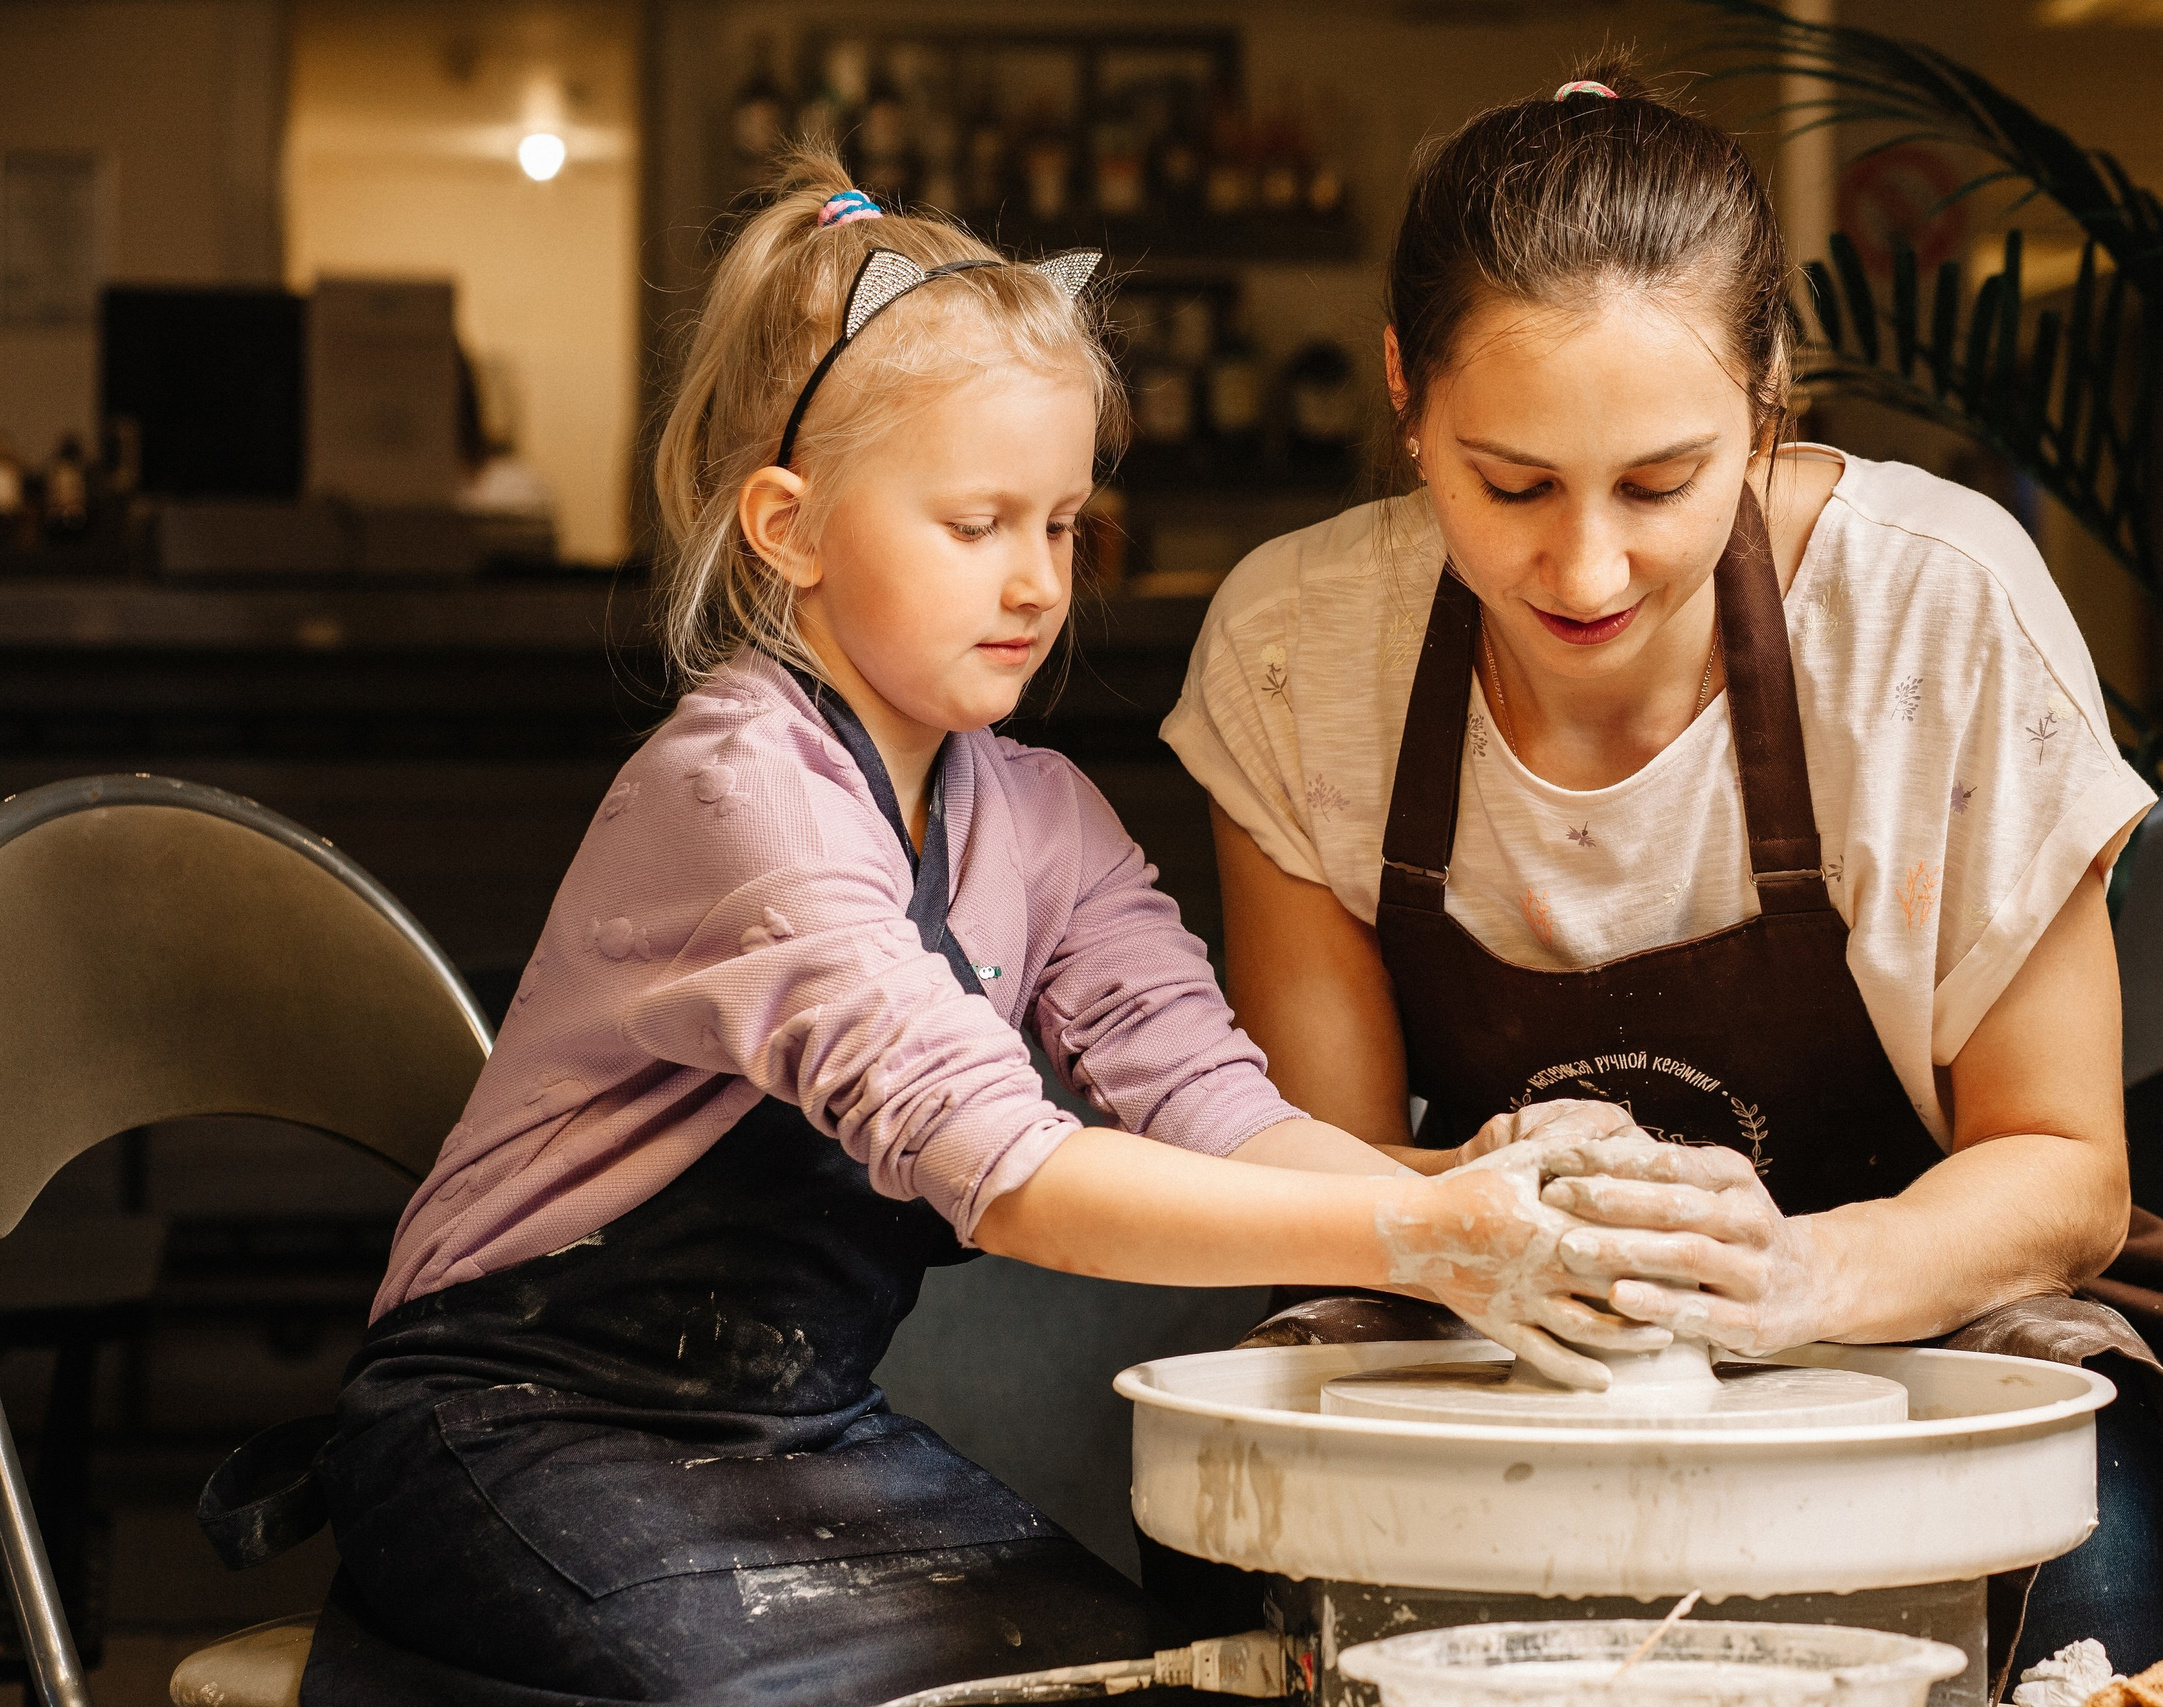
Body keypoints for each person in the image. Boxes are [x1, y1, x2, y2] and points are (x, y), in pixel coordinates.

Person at [292, 161, 1723, 1706]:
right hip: (508, 1422)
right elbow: (1015, 1179)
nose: (1038, 582)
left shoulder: (1042, 817)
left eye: (1061, 523)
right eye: (976, 524)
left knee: (1137, 1683)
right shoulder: (738, 793)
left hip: (796, 1435)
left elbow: (1227, 1124)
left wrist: (1489, 1186)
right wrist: (1422, 1236)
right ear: (790, 527)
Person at [1162, 66, 2163, 1687]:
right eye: (1509, 484)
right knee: (1235, 1564)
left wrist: (1798, 1276)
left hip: (1925, 1300)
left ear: (1768, 394)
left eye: (1663, 484)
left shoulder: (1933, 611)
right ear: (1404, 394)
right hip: (1471, 1306)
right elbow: (1323, 1186)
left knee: (2101, 1550)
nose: (1586, 568)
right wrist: (1500, 1206)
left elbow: (2064, 1167)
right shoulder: (1295, 652)